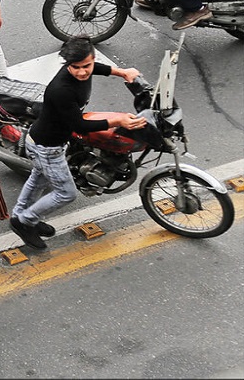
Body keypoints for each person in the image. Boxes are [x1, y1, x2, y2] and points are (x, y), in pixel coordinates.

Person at [10, 37, 147, 250]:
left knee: (38, 179)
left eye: (86, 66)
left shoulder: (87, 69)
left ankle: (21, 216)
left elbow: (98, 68)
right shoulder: (62, 89)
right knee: (66, 193)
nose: (83, 72)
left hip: (49, 141)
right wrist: (118, 121)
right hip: (47, 147)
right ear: (67, 64)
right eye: (76, 68)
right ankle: (25, 221)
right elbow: (80, 125)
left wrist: (122, 72)